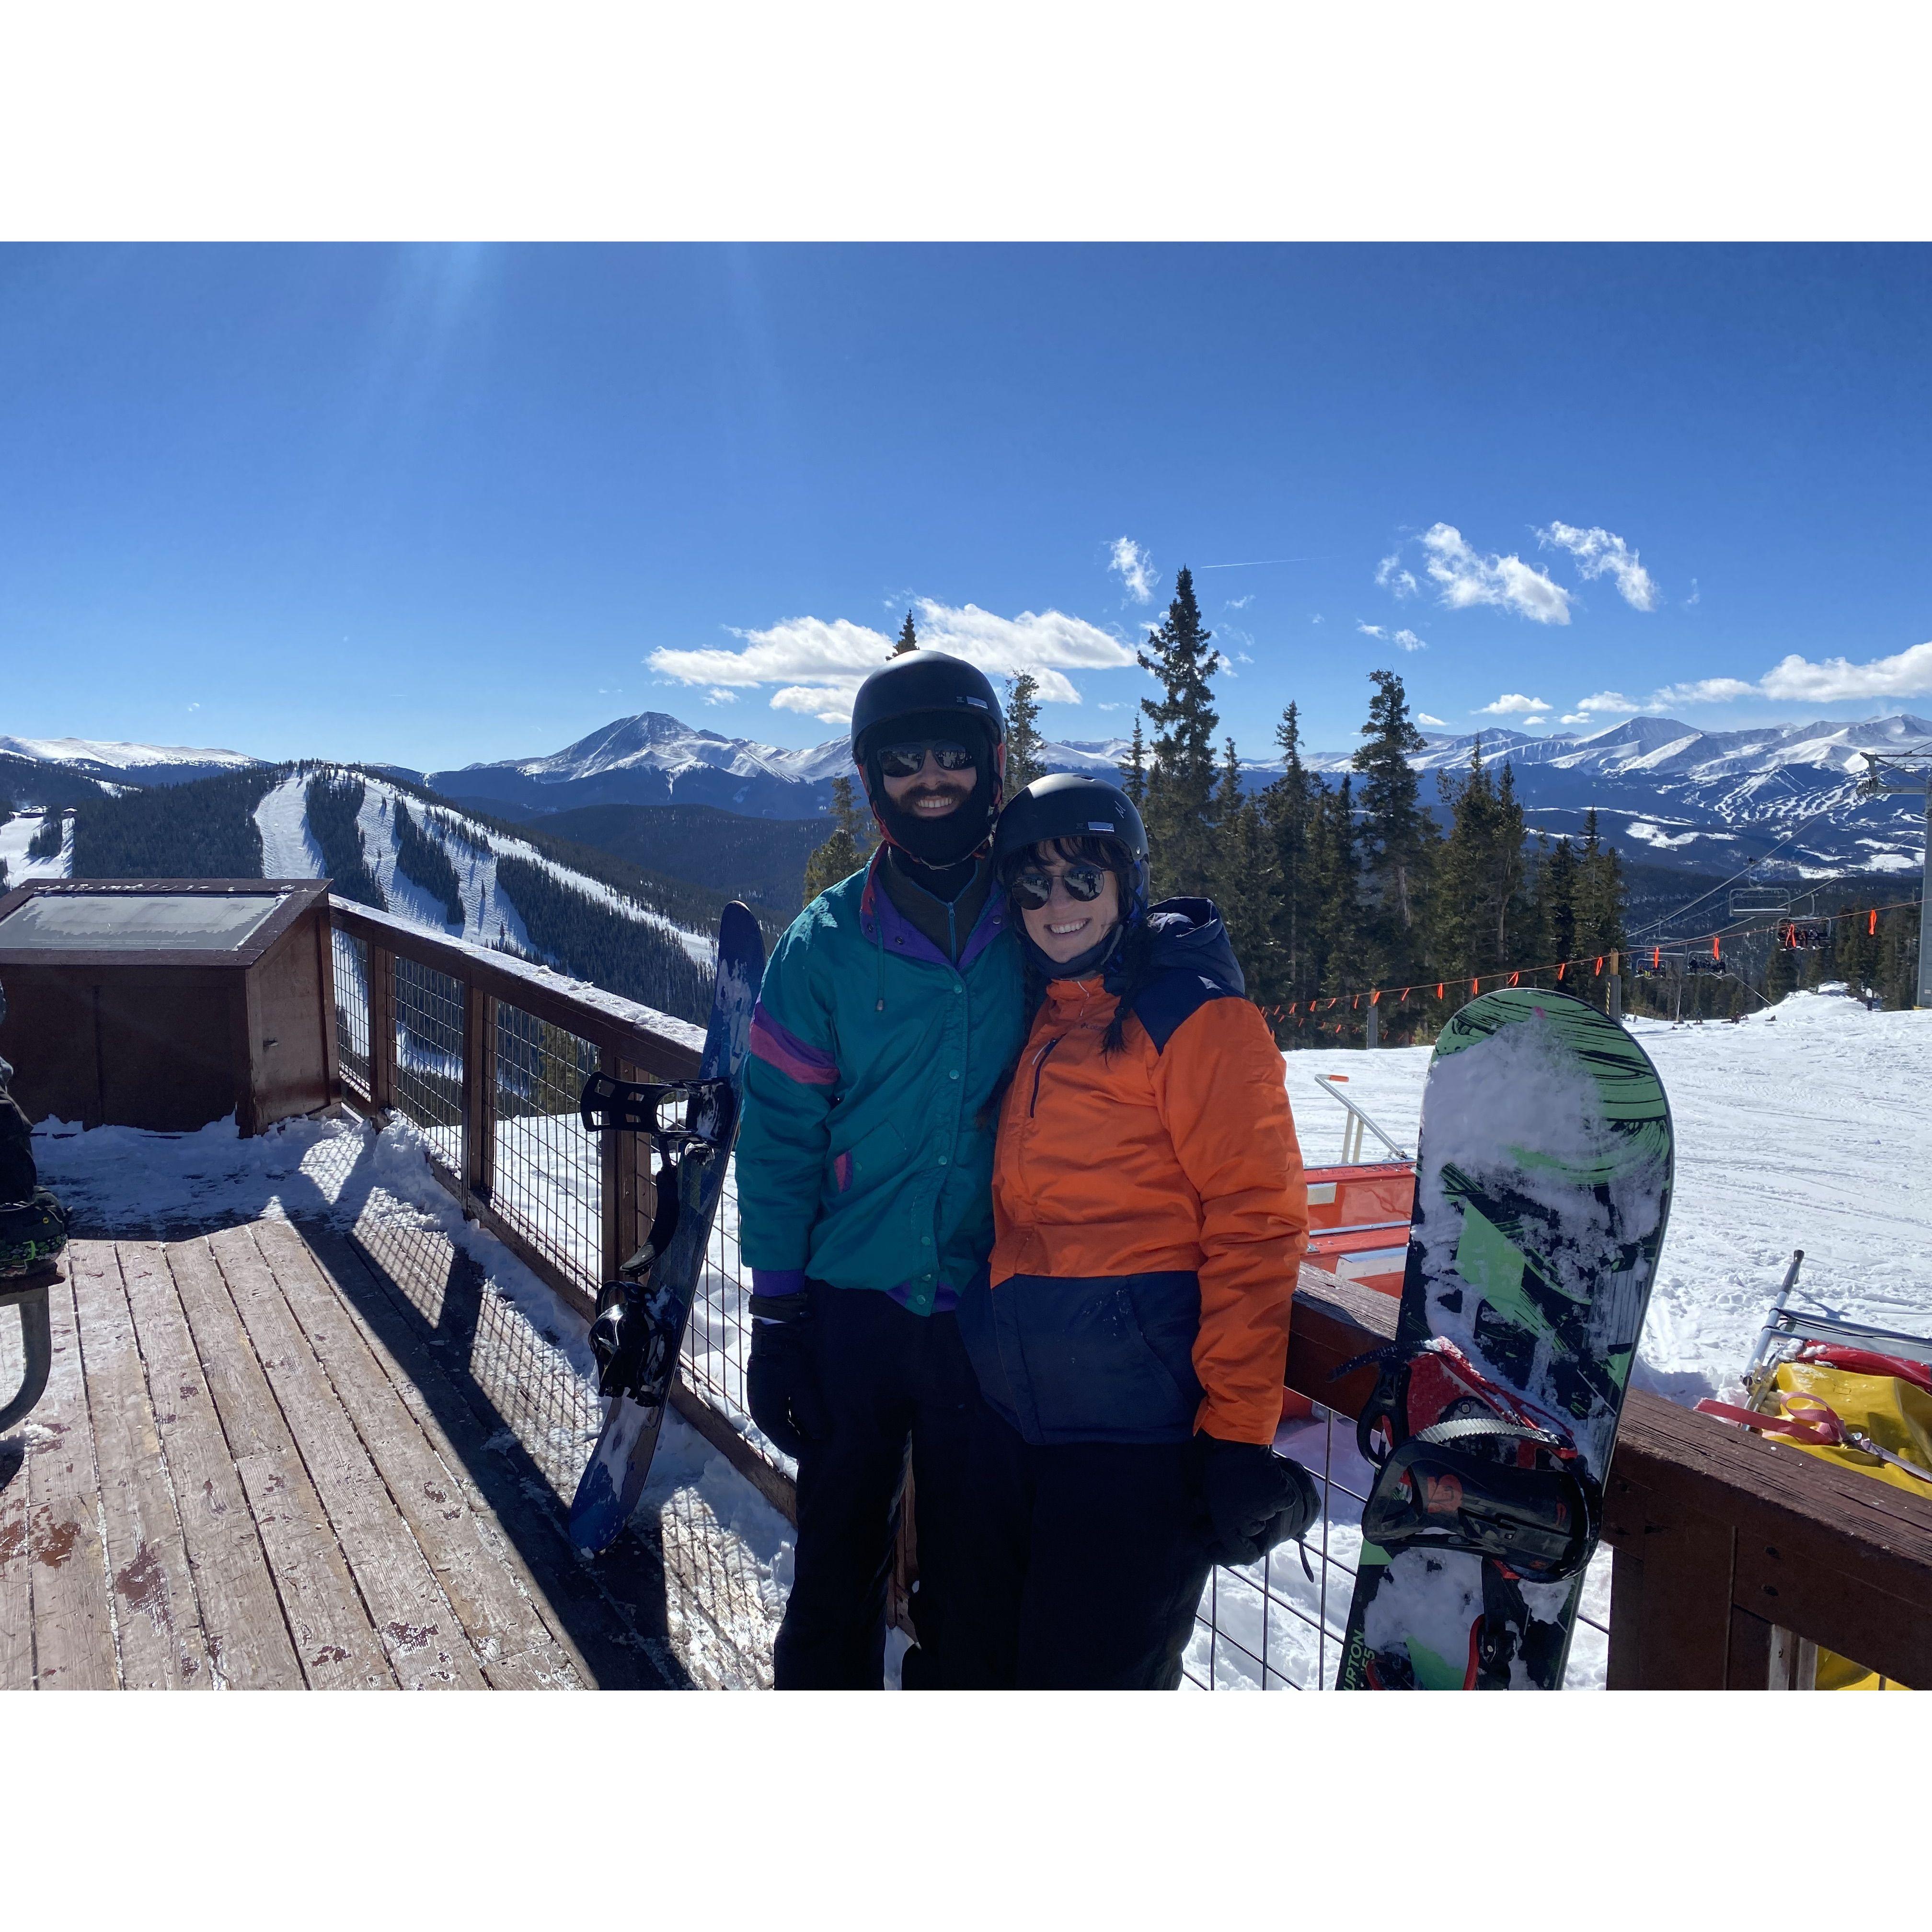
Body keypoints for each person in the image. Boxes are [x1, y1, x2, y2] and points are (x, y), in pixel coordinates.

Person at [955, 772, 1315, 1689]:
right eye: (1032, 886)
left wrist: (1237, 1437)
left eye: (1083, 879)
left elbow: (1258, 1223)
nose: (1057, 905)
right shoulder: (1043, 1007)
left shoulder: (1194, 1015)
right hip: (1012, 1422)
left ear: (1127, 884)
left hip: (1134, 1446)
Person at [738, 649, 1026, 1688]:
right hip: (852, 1305)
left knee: (974, 1584)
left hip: (987, 1314)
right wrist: (775, 1319)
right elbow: (777, 1142)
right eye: (904, 761)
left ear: (993, 766)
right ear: (873, 782)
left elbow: (1115, 962)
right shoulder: (824, 946)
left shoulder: (1035, 921)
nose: (932, 779)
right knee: (833, 1581)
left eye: (953, 754)